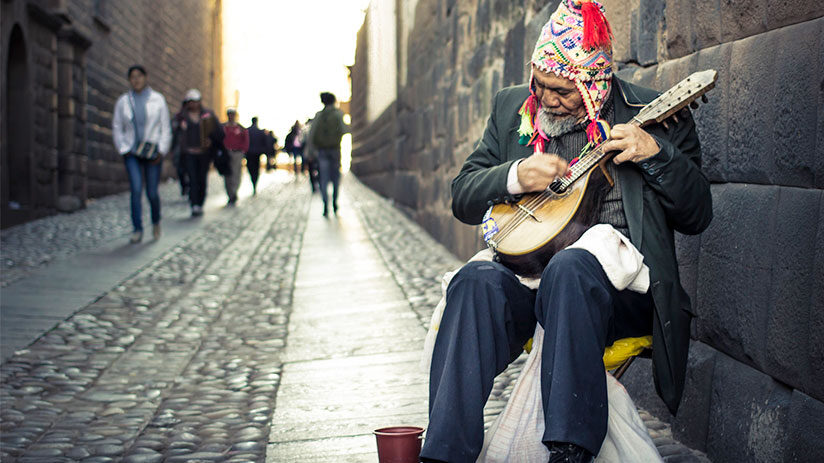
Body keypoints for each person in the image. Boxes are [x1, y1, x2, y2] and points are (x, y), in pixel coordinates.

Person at [420, 1, 713, 462]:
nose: (547, 99)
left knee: (572, 268)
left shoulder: (652, 115)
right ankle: (443, 453)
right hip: (528, 277)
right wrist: (515, 175)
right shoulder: (512, 109)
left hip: (617, 293)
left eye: (562, 90)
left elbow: (698, 215)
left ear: (592, 83)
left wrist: (655, 153)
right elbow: (462, 195)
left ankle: (569, 452)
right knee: (473, 283)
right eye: (540, 85)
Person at [112, 65, 172, 243]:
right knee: (136, 189)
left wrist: (161, 150)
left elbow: (165, 128)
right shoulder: (123, 101)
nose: (136, 80)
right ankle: (137, 228)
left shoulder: (158, 100)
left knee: (152, 192)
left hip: (152, 153)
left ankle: (155, 221)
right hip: (132, 153)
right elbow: (117, 127)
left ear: (145, 78)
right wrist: (123, 148)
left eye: (139, 76)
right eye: (132, 77)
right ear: (129, 80)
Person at [172, 89, 223, 216]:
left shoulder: (208, 115)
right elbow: (174, 133)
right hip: (189, 153)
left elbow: (219, 133)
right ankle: (194, 204)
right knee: (192, 178)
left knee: (201, 179)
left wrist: (211, 140)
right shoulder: (181, 117)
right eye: (191, 102)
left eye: (195, 101)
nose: (193, 104)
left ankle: (200, 202)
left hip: (204, 153)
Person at [309, 92, 349, 216]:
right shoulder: (338, 114)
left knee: (324, 179)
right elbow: (345, 130)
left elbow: (312, 135)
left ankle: (326, 204)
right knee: (336, 178)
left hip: (322, 151)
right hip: (335, 150)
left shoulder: (318, 116)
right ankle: (335, 202)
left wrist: (311, 151)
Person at [222, 108, 249, 205]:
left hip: (237, 153)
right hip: (226, 153)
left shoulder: (240, 128)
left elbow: (245, 140)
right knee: (227, 174)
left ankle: (234, 192)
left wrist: (243, 151)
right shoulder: (223, 127)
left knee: (236, 173)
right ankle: (230, 193)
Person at [246, 117, 267, 195]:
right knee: (256, 169)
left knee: (251, 169)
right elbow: (264, 143)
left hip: (249, 153)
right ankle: (254, 183)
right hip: (257, 154)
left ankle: (253, 182)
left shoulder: (247, 131)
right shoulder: (260, 132)